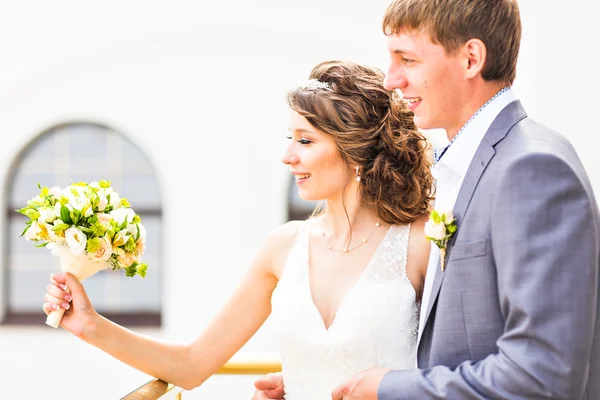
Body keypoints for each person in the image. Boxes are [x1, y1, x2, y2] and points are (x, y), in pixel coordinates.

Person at [253, 1, 600, 399]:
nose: (391, 80)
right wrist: (319, 376)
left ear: (471, 58)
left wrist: (392, 389)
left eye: (408, 59)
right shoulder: (474, 164)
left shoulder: (531, 169)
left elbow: (542, 375)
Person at [43, 60, 434, 399]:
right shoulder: (283, 247)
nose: (288, 156)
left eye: (305, 140)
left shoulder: (420, 243)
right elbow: (194, 364)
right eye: (289, 139)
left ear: (354, 150)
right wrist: (90, 325)